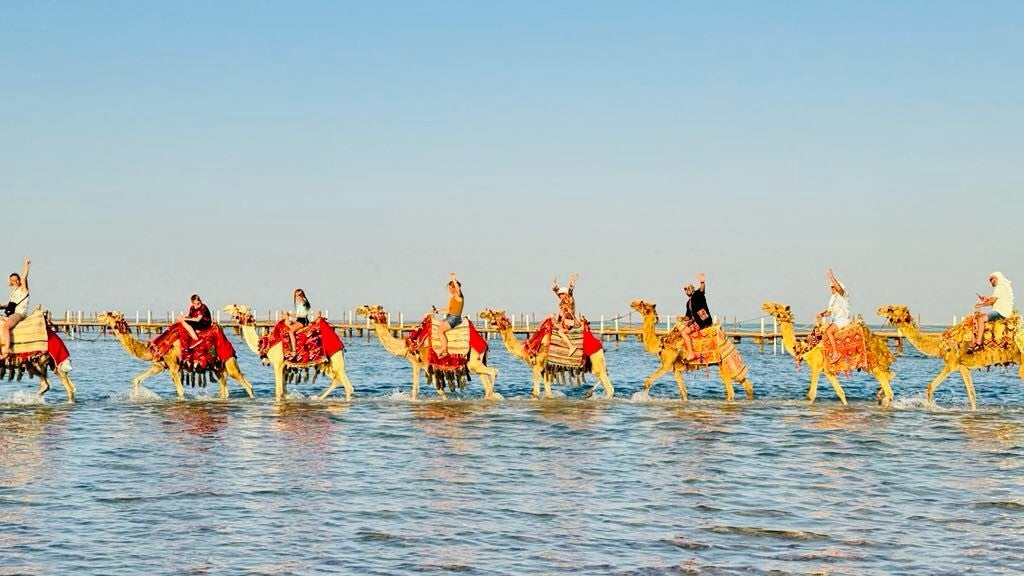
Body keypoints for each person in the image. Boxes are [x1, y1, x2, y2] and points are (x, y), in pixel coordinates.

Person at [970, 271, 1014, 352]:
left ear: (997, 278)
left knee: (981, 319)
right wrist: (985, 299)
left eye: (992, 279)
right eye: (990, 280)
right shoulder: (1002, 287)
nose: (991, 282)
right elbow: (994, 300)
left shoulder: (1000, 287)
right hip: (1001, 310)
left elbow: (992, 301)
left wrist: (980, 305)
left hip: (1000, 312)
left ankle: (978, 343)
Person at [816, 268, 852, 363]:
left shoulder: (843, 295)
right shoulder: (833, 298)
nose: (831, 288)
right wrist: (822, 314)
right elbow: (830, 312)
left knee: (828, 332)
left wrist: (831, 277)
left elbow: (839, 288)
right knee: (823, 333)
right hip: (836, 320)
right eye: (831, 287)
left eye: (833, 287)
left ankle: (836, 353)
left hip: (843, 319)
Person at [0, 257, 31, 360]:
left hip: (19, 314)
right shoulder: (14, 291)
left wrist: (26, 266)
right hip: (11, 313)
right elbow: (9, 305)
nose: (15, 281)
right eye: (13, 280)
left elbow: (24, 278)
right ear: (11, 282)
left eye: (16, 279)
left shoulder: (23, 289)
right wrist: (1, 306)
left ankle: (7, 350)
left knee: (5, 327)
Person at [679, 272, 711, 359]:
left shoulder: (697, 294)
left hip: (702, 321)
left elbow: (702, 290)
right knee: (679, 329)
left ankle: (691, 354)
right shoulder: (688, 303)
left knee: (684, 332)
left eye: (689, 288)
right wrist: (681, 318)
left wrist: (702, 283)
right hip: (696, 321)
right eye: (685, 289)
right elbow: (688, 316)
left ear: (693, 289)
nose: (687, 289)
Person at [434, 272, 463, 356]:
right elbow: (447, 310)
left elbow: (458, 289)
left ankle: (444, 351)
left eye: (450, 288)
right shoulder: (452, 297)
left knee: (440, 331)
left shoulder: (458, 296)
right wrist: (436, 311)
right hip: (450, 316)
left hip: (454, 318)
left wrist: (453, 279)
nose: (449, 290)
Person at [552, 273, 580, 354]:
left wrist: (572, 281)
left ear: (565, 294)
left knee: (560, 332)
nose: (560, 295)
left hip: (569, 321)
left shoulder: (569, 298)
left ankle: (571, 347)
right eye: (560, 294)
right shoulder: (562, 299)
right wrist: (554, 284)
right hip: (564, 321)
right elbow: (557, 291)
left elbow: (570, 290)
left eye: (562, 294)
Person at [283, 289, 312, 356]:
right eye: (296, 296)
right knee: (287, 327)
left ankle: (294, 351)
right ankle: (289, 348)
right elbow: (297, 315)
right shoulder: (300, 303)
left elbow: (301, 315)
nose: (297, 297)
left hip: (303, 321)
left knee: (290, 331)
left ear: (302, 295)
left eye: (299, 295)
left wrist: (290, 315)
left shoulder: (304, 302)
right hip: (299, 320)